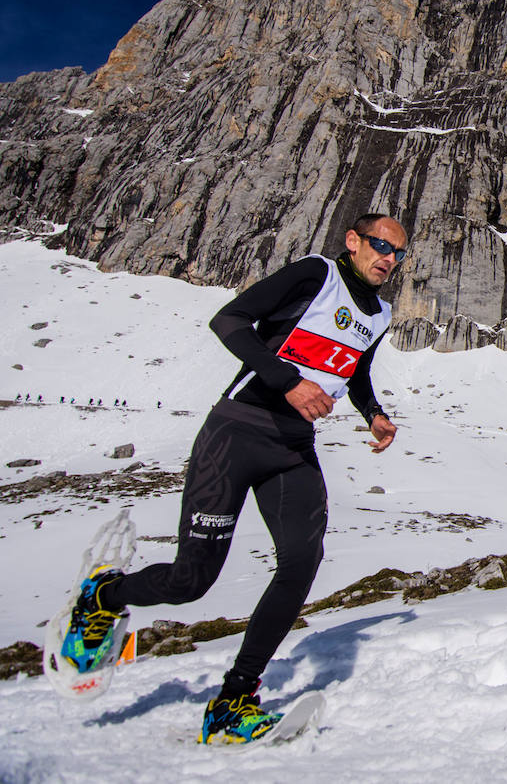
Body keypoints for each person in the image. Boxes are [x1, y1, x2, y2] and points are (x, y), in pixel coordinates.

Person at [59, 213, 407, 744]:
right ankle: (102, 596)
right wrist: (288, 381)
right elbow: (229, 321)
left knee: (301, 562)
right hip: (235, 435)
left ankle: (234, 700)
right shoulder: (315, 275)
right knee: (191, 582)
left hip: (292, 450)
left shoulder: (379, 312)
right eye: (381, 245)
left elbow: (355, 368)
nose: (389, 258)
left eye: (398, 252)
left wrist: (372, 412)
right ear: (353, 241)